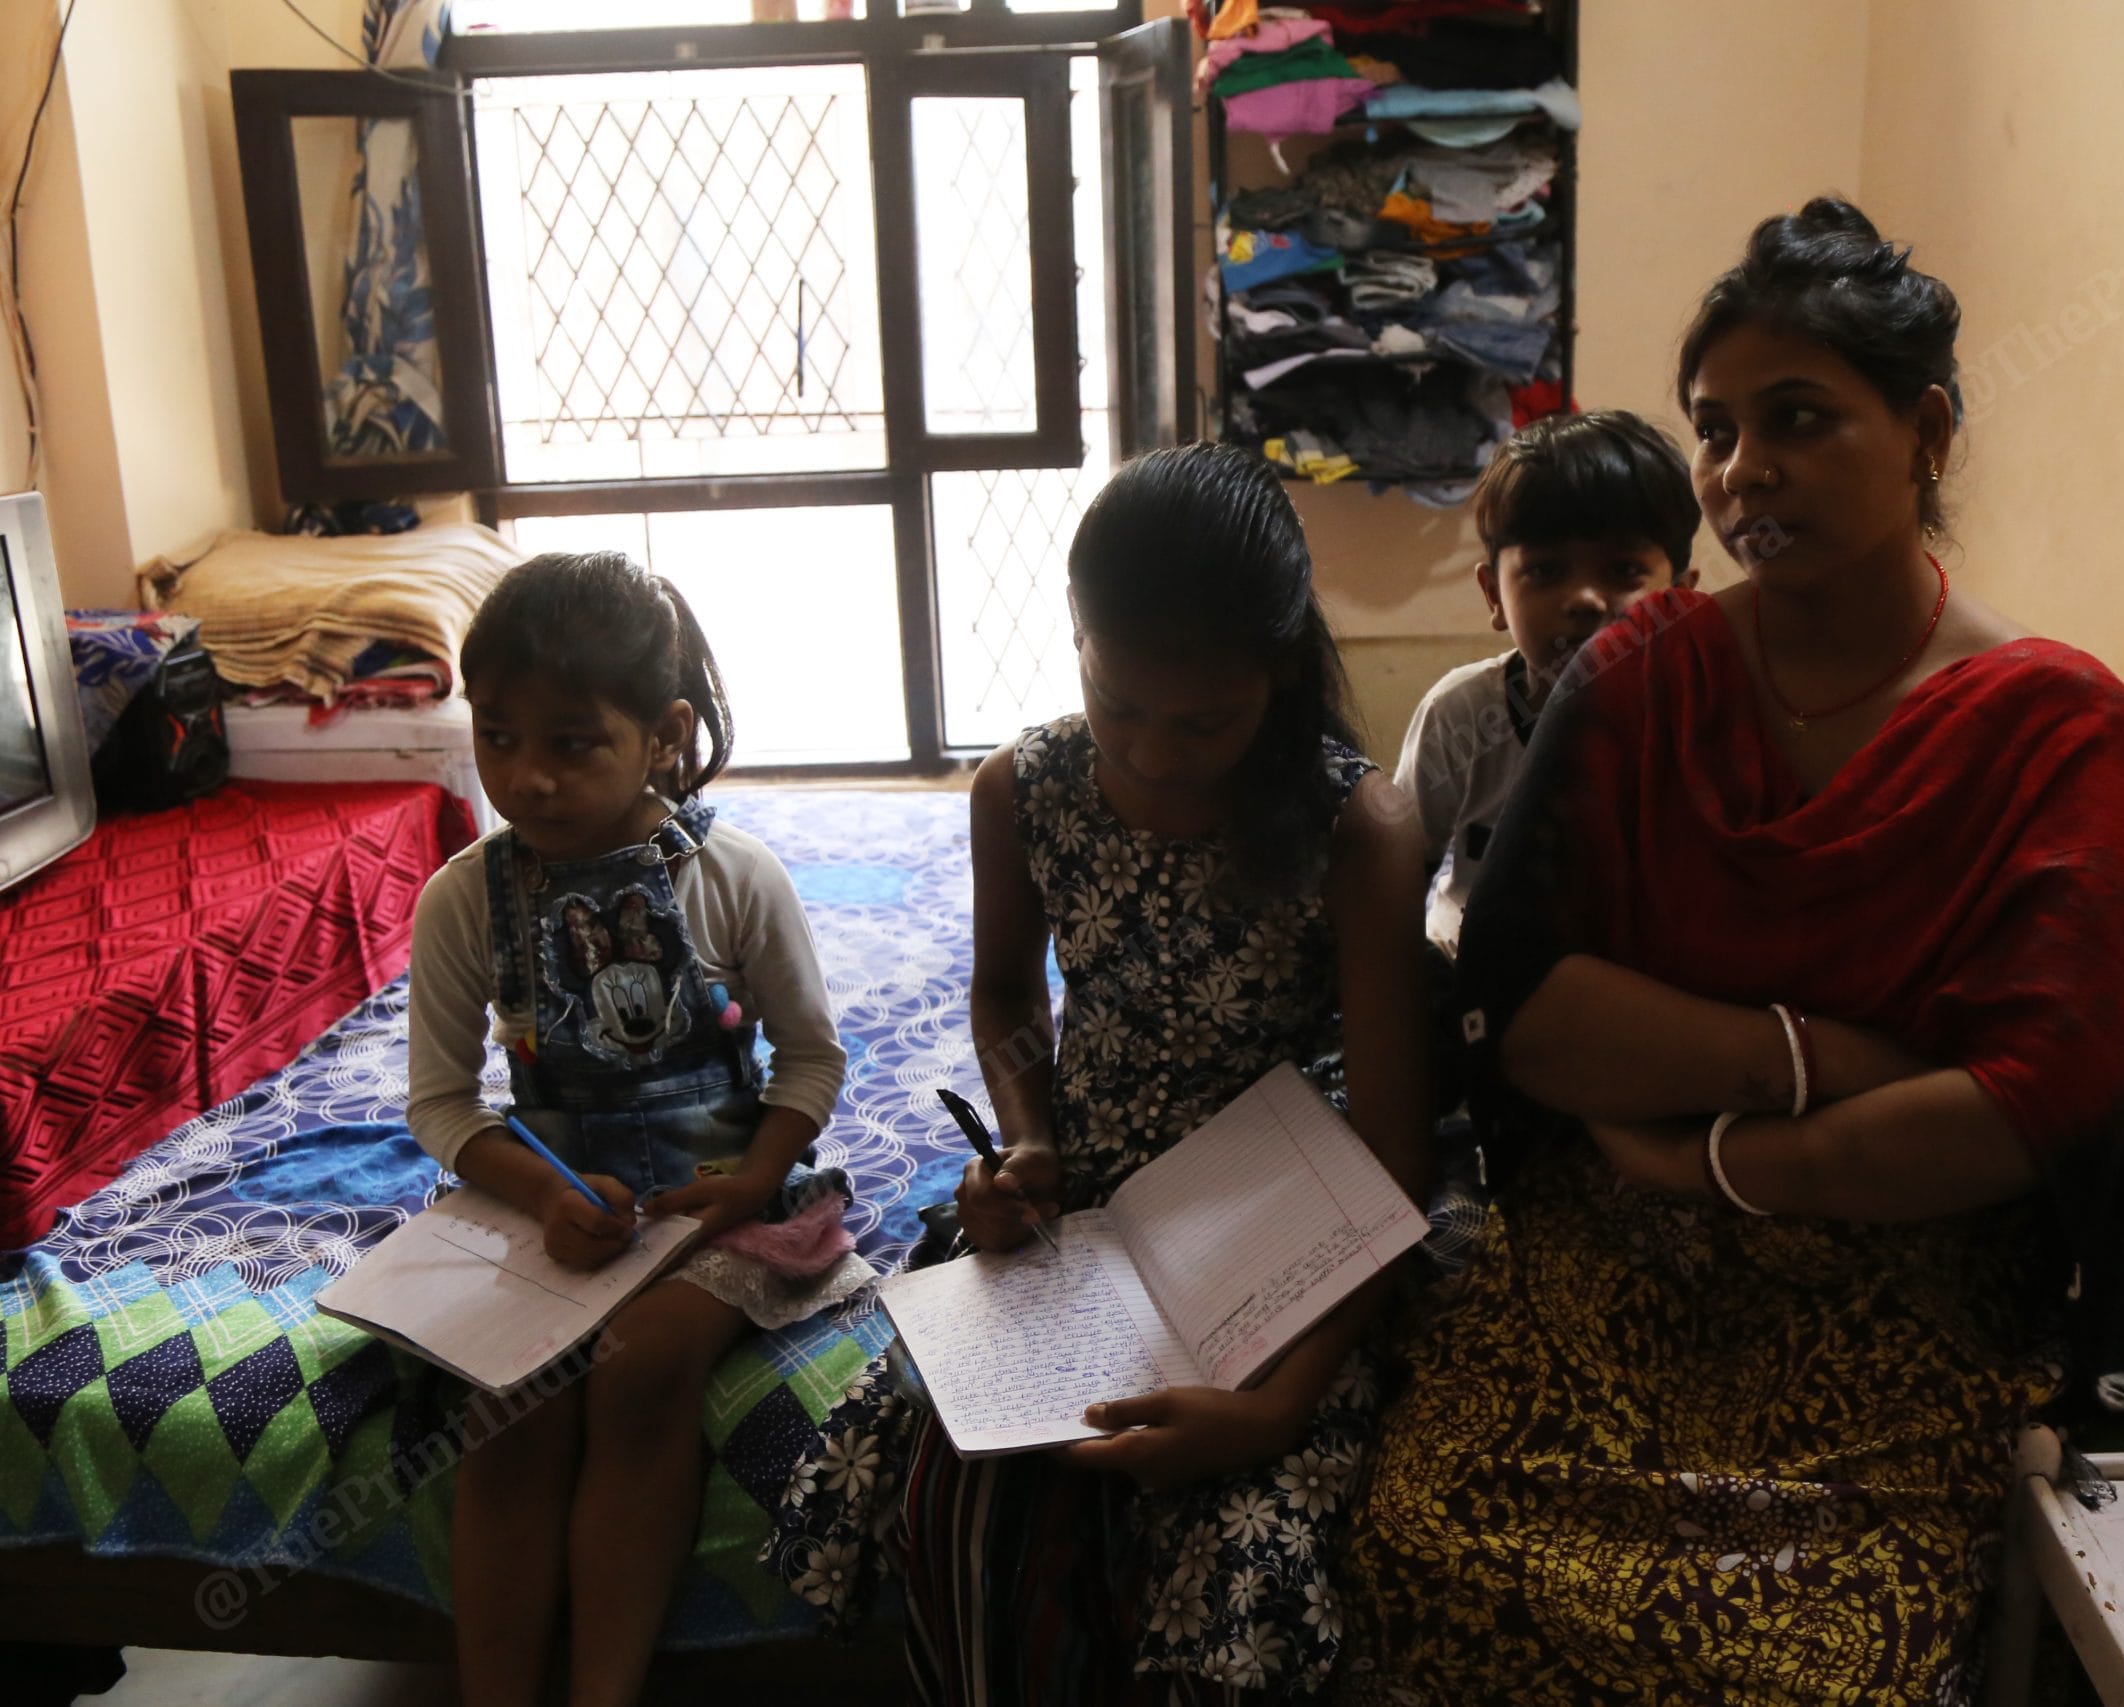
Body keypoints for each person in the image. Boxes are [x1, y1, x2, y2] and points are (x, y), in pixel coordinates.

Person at [1340, 199, 2124, 1703]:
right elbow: (1527, 1005)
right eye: (1718, 431)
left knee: (1809, 1661)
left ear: (1924, 430)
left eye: (1796, 420)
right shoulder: (1640, 673)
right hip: (1612, 1258)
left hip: (1903, 1294)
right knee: (1422, 1540)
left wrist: (1703, 1150)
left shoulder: (2062, 726)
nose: (1742, 475)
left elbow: (2029, 1104)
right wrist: (1824, 1062)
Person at [763, 443, 1436, 1703]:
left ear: (1278, 672)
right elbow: (1007, 996)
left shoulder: (1357, 827)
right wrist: (1028, 1144)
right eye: (1120, 708)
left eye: (1204, 722)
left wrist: (1277, 1410)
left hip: (1295, 1223)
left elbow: (1397, 1161)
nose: (1159, 756)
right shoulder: (1026, 786)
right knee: (960, 1493)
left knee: (1242, 1559)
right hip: (1089, 1209)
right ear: (1074, 638)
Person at [407, 552, 865, 1707]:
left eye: (571, 743)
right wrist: (547, 1193)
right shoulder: (464, 897)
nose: (526, 778)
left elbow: (811, 1057)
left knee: (644, 1369)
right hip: (555, 1202)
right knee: (507, 1407)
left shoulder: (733, 877)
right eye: (498, 735)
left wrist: (757, 1176)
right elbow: (444, 1104)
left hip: (726, 1198)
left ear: (663, 735)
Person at [1394, 408, 1699, 960]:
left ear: (1681, 597)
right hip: (1463, 979)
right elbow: (1395, 870)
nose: (1584, 599)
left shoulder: (1702, 718)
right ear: (1493, 595)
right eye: (1546, 570)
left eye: (1624, 570)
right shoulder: (1461, 714)